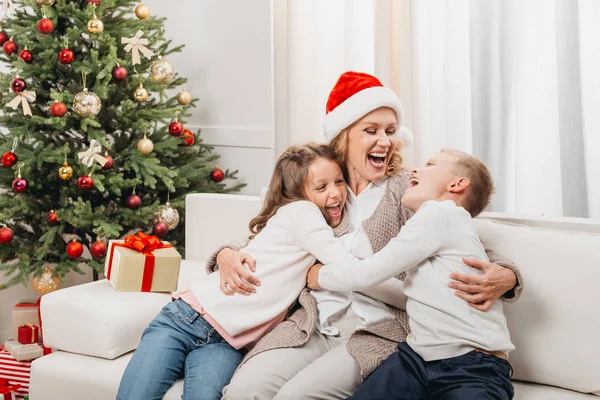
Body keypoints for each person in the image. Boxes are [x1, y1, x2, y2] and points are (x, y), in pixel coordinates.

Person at [218, 71, 523, 400]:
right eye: (371, 130)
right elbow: (270, 231)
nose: (386, 141)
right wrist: (226, 254)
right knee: (242, 392)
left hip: (378, 330)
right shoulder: (319, 185)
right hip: (313, 322)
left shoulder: (409, 191)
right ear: (343, 136)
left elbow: (471, 243)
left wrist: (508, 276)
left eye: (391, 131)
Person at [116, 143, 352, 400]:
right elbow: (345, 263)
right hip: (185, 320)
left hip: (229, 343)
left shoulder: (308, 226)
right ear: (298, 193)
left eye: (340, 181)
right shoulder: (302, 212)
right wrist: (223, 254)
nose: (336, 193)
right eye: (322, 186)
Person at [307, 149, 514, 399]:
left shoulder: (441, 213)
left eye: (430, 164)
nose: (415, 170)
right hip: (416, 357)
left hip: (472, 363)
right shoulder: (437, 224)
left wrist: (321, 276)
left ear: (457, 184)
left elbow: (372, 270)